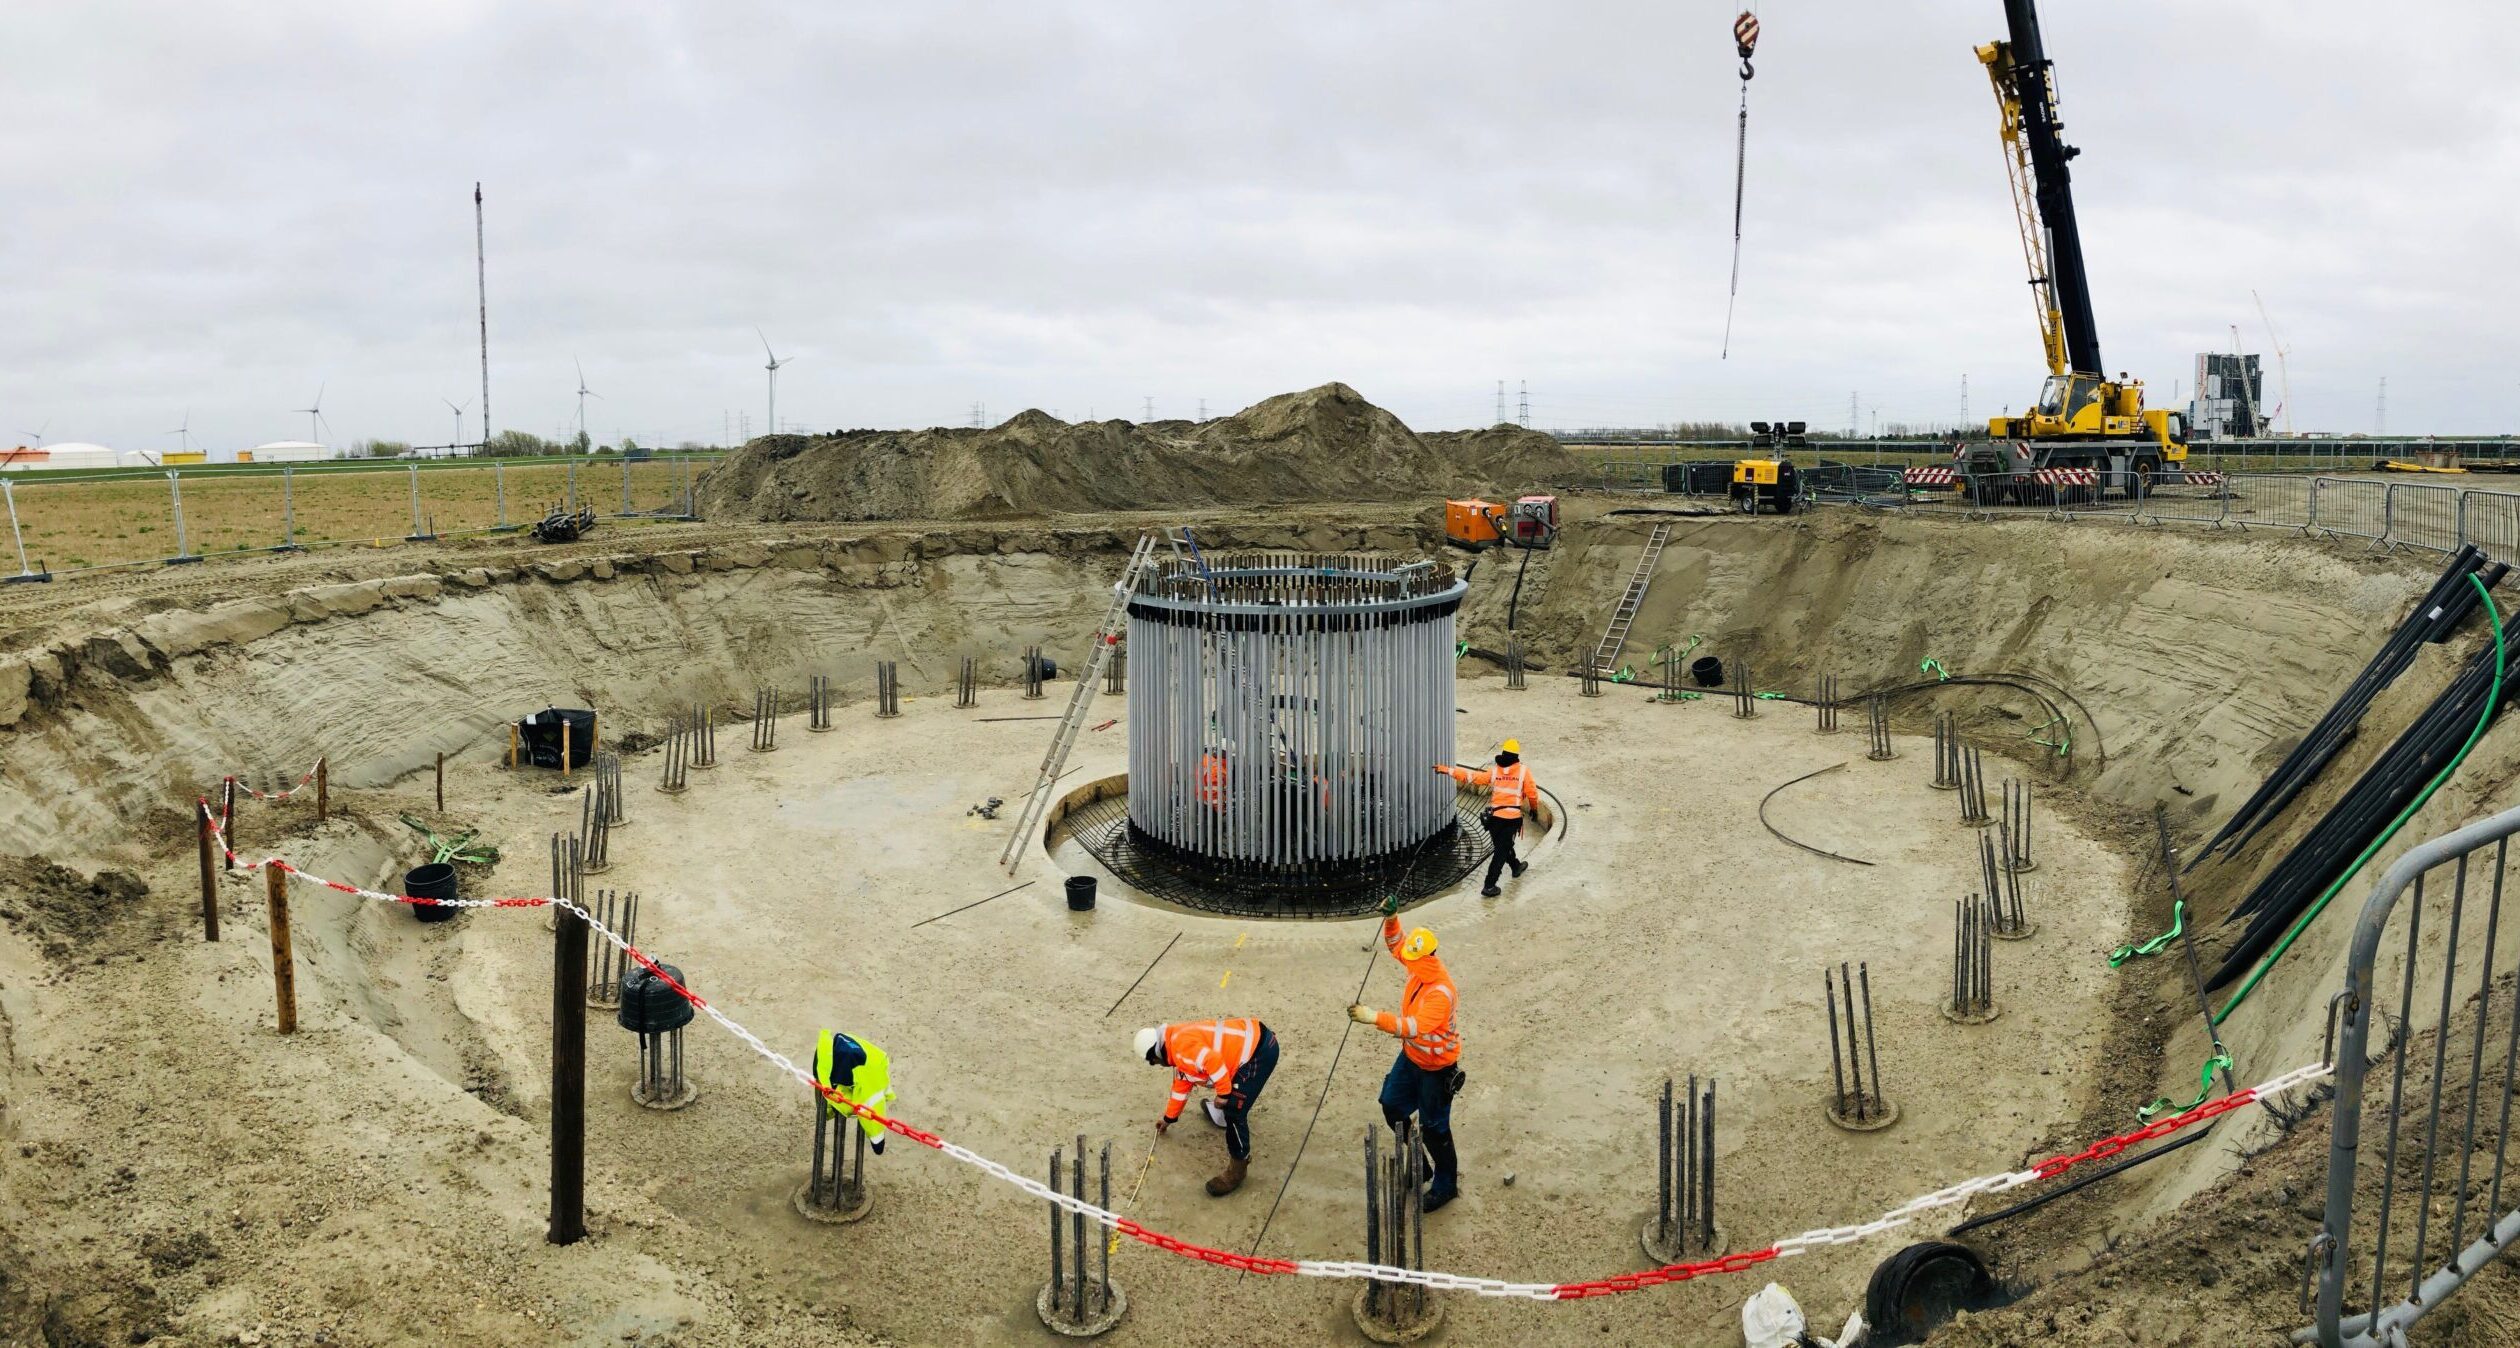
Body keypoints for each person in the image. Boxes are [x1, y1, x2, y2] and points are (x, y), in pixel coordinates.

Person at [1349, 913, 1463, 1211]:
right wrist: (1391, 919)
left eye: (1412, 957)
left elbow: (1414, 1027)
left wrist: (1374, 1017)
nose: (1405, 961)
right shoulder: (1418, 968)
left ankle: (1446, 1184)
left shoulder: (1441, 992)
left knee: (1435, 1128)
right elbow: (1396, 944)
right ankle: (1418, 1162)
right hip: (1412, 1058)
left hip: (1436, 1069)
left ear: (1428, 956)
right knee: (1391, 1104)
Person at [1134, 1018, 1280, 1196]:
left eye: (1153, 1062)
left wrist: (1224, 1094)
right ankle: (1220, 1111)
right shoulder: (1176, 1045)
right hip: (1255, 1040)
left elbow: (1214, 1060)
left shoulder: (1181, 1049)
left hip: (1260, 1053)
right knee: (1227, 1098)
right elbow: (1181, 1087)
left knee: (1234, 1112)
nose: (1156, 1065)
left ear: (1155, 1054)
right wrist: (1168, 1119)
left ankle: (1238, 1169)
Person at [1437, 737, 1535, 897]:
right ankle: (1489, 885)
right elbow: (1532, 792)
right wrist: (1534, 809)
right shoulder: (1524, 771)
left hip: (1495, 820)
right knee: (1501, 852)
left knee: (1503, 846)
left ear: (1503, 753)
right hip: (1511, 820)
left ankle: (1516, 866)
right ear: (1517, 756)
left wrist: (1447, 770)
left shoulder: (1495, 771)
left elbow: (1472, 777)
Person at [812, 1028, 895, 1154]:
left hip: (833, 1054)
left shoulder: (831, 1048)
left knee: (842, 1094)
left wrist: (827, 1111)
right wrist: (878, 1141)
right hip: (860, 1068)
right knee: (856, 1101)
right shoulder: (871, 1073)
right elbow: (872, 1109)